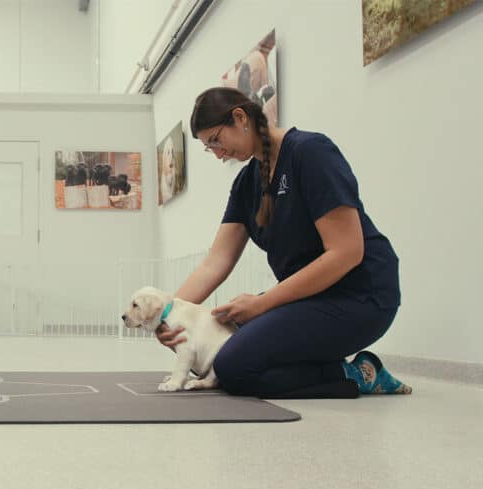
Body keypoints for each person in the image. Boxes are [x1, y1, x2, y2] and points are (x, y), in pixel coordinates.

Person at [156, 87, 408, 398]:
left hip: (361, 296)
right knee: (205, 343)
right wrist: (168, 314)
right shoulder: (246, 183)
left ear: (240, 117)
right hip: (308, 300)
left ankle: (359, 374)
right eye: (210, 148)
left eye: (216, 141)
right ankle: (312, 362)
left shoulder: (310, 152)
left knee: (233, 366)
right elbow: (216, 261)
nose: (218, 154)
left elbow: (347, 252)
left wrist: (262, 303)